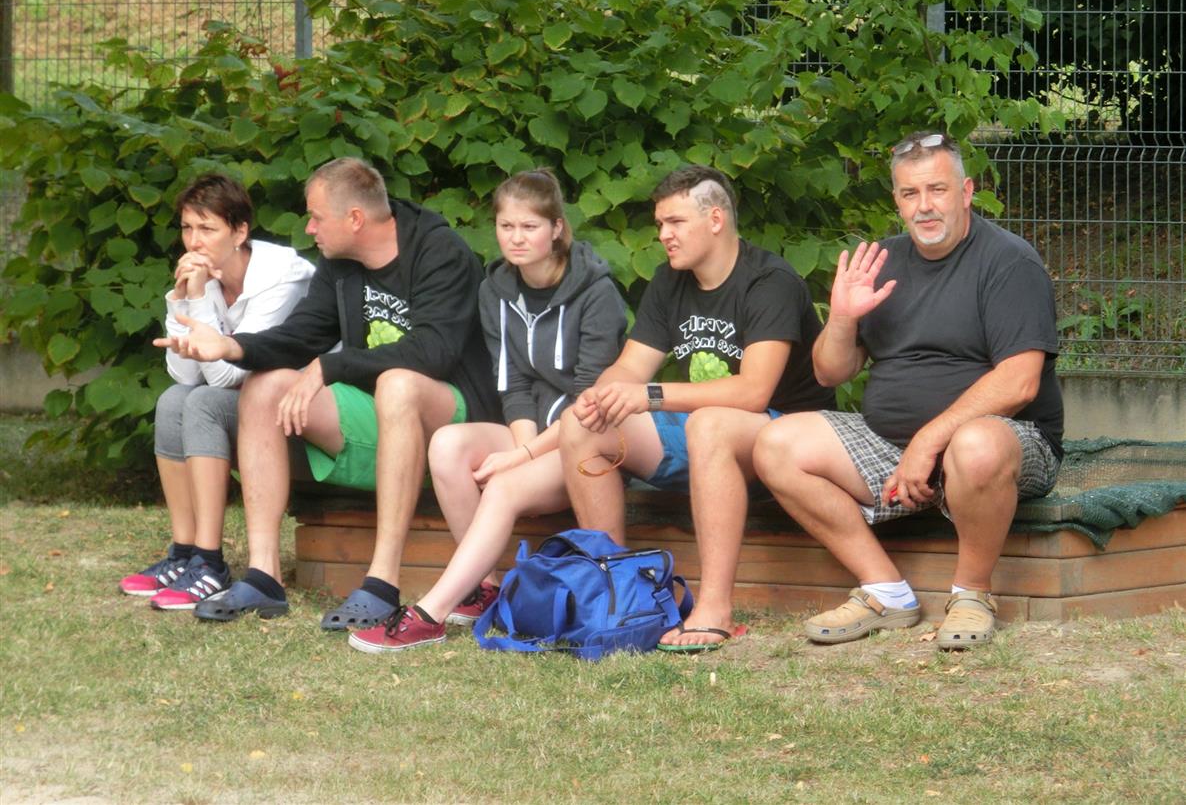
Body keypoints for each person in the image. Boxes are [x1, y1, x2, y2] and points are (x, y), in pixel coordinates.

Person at [153, 157, 499, 626]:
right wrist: (231, 347)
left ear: (354, 218)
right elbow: (302, 334)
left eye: (316, 217)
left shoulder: (440, 252)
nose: (309, 228)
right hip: (375, 409)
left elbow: (433, 352)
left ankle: (382, 583)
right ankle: (264, 576)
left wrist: (331, 365)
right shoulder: (339, 264)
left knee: (398, 384)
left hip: (451, 416)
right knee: (267, 384)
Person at [753, 132, 1063, 649]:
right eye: (909, 193)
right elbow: (830, 373)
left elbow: (1019, 380)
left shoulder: (1010, 262)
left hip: (1007, 445)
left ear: (966, 192)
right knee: (775, 443)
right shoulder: (883, 261)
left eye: (937, 189)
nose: (924, 206)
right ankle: (886, 591)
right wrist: (844, 317)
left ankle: (971, 594)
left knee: (975, 445)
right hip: (890, 445)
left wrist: (928, 441)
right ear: (896, 201)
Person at [556, 165, 836, 653]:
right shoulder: (671, 280)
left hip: (786, 441)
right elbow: (630, 368)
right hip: (706, 435)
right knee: (583, 428)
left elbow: (754, 392)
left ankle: (715, 607)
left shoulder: (769, 280)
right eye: (660, 224)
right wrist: (600, 399)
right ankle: (618, 596)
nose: (663, 235)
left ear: (715, 219)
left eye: (675, 222)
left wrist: (650, 396)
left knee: (708, 424)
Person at [349, 169, 627, 654]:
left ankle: (430, 613)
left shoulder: (597, 292)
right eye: (506, 226)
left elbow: (587, 404)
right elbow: (511, 384)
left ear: (557, 228)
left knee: (502, 483)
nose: (516, 238)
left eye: (530, 227)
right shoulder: (495, 288)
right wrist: (522, 447)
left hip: (586, 443)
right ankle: (487, 589)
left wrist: (521, 459)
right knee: (446, 445)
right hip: (531, 435)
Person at [120, 174, 314, 609]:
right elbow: (185, 375)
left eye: (207, 228)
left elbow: (227, 376)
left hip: (301, 418)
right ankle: (185, 552)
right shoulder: (205, 276)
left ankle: (210, 562)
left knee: (205, 403)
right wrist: (183, 298)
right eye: (187, 228)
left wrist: (197, 300)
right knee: (173, 401)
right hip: (251, 411)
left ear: (240, 231)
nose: (194, 241)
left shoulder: (281, 277)